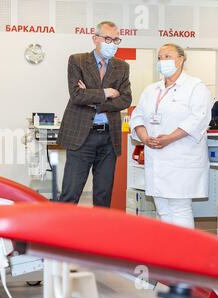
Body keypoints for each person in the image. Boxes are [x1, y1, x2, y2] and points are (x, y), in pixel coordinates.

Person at [130, 43, 213, 229]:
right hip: (156, 157)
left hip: (181, 156)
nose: (162, 61)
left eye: (167, 56)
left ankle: (184, 255)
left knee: (179, 207)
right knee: (162, 208)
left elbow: (198, 119)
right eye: (160, 57)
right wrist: (144, 138)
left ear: (181, 59)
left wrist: (169, 138)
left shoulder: (195, 87)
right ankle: (166, 254)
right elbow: (138, 116)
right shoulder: (152, 89)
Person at [57, 21, 132, 208]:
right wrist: (107, 93)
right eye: (107, 38)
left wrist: (94, 101)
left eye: (116, 39)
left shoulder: (122, 66)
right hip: (82, 136)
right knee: (70, 193)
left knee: (103, 195)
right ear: (95, 39)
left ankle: (100, 236)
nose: (112, 43)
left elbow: (125, 100)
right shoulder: (77, 60)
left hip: (109, 138)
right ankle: (59, 236)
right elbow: (76, 95)